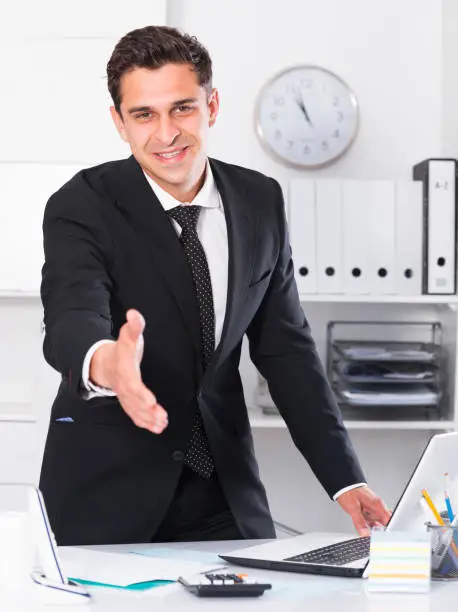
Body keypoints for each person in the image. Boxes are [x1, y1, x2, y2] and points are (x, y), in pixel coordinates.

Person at [39, 25, 390, 546]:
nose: (166, 133)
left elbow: (287, 351)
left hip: (222, 490)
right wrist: (108, 362)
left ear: (212, 105)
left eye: (182, 108)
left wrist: (345, 478)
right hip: (106, 494)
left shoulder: (258, 201)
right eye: (144, 115)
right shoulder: (82, 203)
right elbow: (71, 314)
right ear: (119, 122)